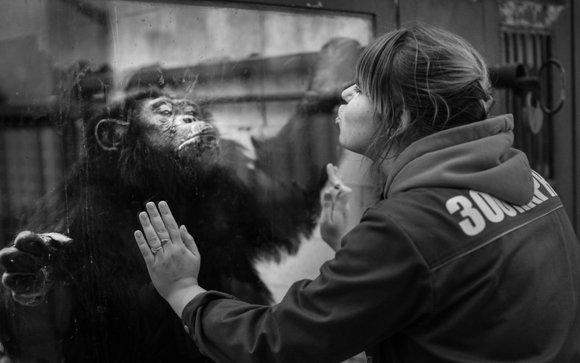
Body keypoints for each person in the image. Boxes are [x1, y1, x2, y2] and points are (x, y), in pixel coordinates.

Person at [133, 24, 580, 363]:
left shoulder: (407, 227)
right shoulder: (525, 177)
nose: (344, 92)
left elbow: (279, 342)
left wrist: (184, 292)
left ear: (400, 117)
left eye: (361, 88)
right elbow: (456, 292)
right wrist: (352, 248)